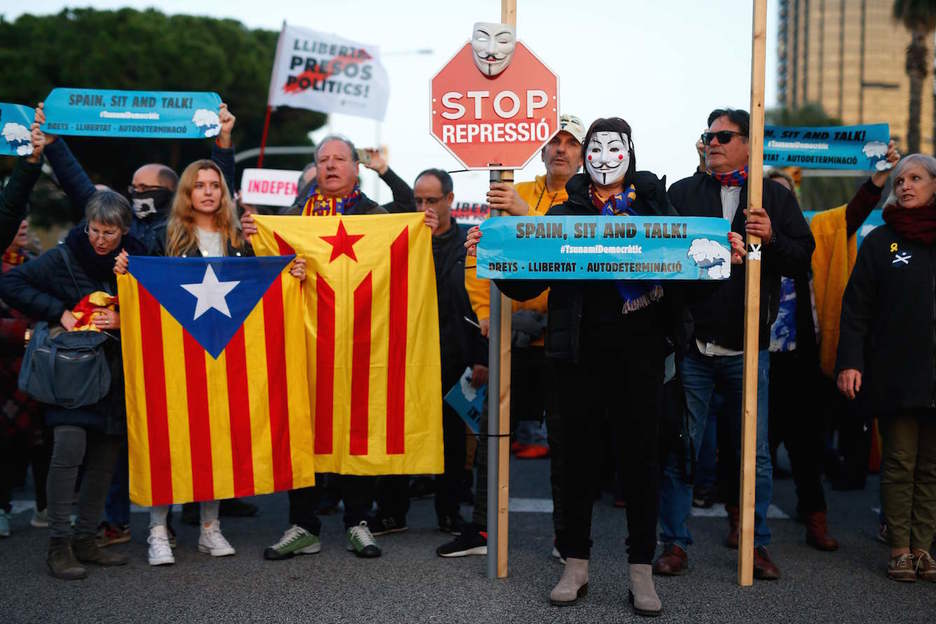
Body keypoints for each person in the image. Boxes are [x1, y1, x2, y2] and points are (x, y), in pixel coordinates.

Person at [466, 117, 744, 616]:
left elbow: (690, 284)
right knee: (576, 465)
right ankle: (575, 565)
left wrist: (719, 257)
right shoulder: (562, 214)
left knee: (641, 465)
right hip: (576, 359)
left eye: (613, 148)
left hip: (641, 361)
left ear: (629, 154)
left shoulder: (658, 209)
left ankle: (641, 572)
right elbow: (527, 285)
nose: (602, 156)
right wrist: (497, 256)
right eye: (594, 147)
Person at [118, 158, 304, 565]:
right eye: (198, 185)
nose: (206, 191)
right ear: (186, 193)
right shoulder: (160, 236)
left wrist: (291, 273)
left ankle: (209, 529)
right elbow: (141, 285)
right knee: (169, 439)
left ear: (223, 193)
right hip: (175, 357)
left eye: (214, 185)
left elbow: (264, 282)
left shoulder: (240, 239)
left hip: (226, 354)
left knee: (217, 438)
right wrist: (126, 271)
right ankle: (157, 531)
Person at [655, 108, 815, 581]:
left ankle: (756, 543)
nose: (714, 142)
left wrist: (772, 238)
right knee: (682, 447)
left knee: (756, 454)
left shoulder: (772, 198)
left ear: (750, 142)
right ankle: (674, 544)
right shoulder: (683, 193)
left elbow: (801, 260)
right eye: (708, 135)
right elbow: (662, 256)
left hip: (750, 350)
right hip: (695, 349)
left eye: (724, 135)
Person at [243, 135, 387, 560]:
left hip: (357, 342)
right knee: (300, 431)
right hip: (304, 344)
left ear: (355, 167)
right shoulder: (291, 217)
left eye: (339, 158)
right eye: (323, 160)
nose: (330, 166)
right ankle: (303, 525)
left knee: (353, 427)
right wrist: (262, 245)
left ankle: (358, 521)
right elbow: (267, 277)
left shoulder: (375, 216)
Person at [450, 114, 586, 563]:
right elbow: (479, 253)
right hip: (510, 331)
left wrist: (528, 217)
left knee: (567, 443)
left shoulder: (590, 199)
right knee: (492, 433)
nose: (561, 149)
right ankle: (482, 529)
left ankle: (567, 539)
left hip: (565, 338)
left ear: (584, 153)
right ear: (542, 149)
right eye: (554, 141)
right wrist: (488, 314)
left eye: (571, 142)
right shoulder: (514, 190)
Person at [0, 190, 145, 579]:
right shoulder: (65, 255)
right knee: (67, 454)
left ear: (124, 231)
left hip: (116, 373)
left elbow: (161, 305)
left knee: (104, 461)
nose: (99, 239)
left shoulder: (140, 257)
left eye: (109, 233)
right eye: (94, 229)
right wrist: (59, 312)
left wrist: (125, 317)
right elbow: (11, 285)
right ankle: (58, 546)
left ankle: (86, 540)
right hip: (72, 373)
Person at [764, 141, 899, 553]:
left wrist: (878, 178)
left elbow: (853, 214)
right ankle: (743, 524)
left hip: (804, 360)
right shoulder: (750, 234)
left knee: (807, 449)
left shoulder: (817, 229)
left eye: (784, 191)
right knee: (754, 448)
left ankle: (815, 521)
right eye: (770, 192)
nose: (777, 198)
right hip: (757, 360)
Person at [836, 153, 936, 582]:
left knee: (932, 467)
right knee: (899, 462)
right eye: (900, 180)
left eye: (916, 178)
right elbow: (856, 308)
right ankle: (899, 548)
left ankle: (923, 549)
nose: (906, 186)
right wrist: (850, 363)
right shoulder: (881, 241)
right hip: (896, 372)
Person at [372, 169, 487, 537]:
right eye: (418, 201)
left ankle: (449, 511)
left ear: (450, 200)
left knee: (452, 438)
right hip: (404, 354)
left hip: (453, 355)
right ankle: (392, 511)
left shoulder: (469, 241)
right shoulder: (402, 239)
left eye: (431, 200)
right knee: (397, 433)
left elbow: (481, 300)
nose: (424, 207)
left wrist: (482, 356)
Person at [35, 101, 238, 254]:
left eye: (145, 188)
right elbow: (82, 191)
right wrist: (53, 144)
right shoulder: (126, 223)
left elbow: (220, 184)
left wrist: (224, 139)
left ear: (173, 192)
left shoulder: (182, 231)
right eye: (134, 189)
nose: (137, 194)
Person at [288, 147, 415, 215]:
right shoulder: (294, 216)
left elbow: (407, 204)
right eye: (313, 183)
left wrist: (384, 170)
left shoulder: (368, 213)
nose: (330, 168)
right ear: (301, 190)